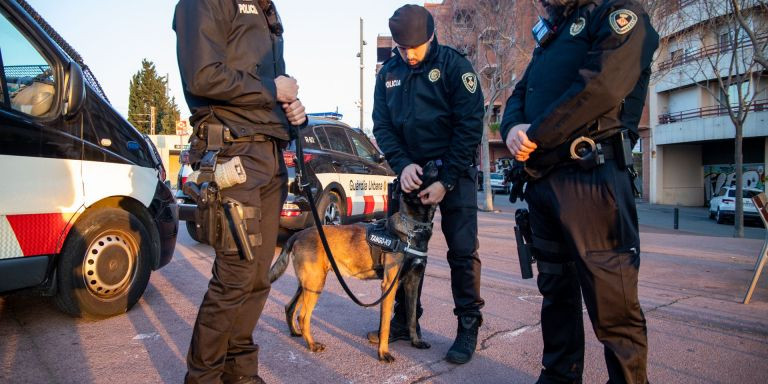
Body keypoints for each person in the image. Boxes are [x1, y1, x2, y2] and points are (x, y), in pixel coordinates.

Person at [500, 0, 658, 383]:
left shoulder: (618, 13)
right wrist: (511, 129)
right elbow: (522, 90)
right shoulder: (554, 30)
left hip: (591, 180)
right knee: (556, 293)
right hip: (542, 180)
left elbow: (599, 88)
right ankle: (559, 376)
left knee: (613, 304)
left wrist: (534, 135)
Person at [173, 1, 306, 383]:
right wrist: (271, 89)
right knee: (234, 276)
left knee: (257, 278)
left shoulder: (266, 10)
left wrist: (292, 111)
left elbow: (261, 92)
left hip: (269, 154)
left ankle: (240, 374)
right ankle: (202, 378)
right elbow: (202, 76)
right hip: (233, 155)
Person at [371, 4, 485, 364]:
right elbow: (383, 126)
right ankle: (405, 322)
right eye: (403, 49)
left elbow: (470, 125)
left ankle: (467, 326)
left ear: (432, 37)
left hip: (452, 169)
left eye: (415, 48)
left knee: (462, 252)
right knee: (401, 250)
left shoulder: (454, 66)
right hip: (410, 173)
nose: (409, 55)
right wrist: (401, 165)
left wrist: (447, 180)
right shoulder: (389, 72)